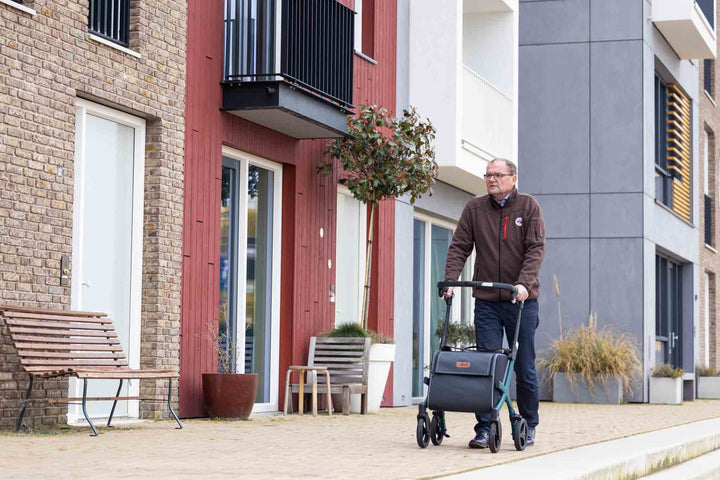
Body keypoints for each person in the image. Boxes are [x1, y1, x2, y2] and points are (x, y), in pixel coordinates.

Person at [443, 158, 545, 449]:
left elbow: (535, 250)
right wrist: (450, 279)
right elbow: (460, 245)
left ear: (513, 178)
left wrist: (524, 284)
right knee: (486, 365)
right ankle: (485, 427)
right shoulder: (475, 208)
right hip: (487, 301)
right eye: (488, 174)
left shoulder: (528, 207)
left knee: (524, 366)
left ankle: (528, 423)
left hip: (521, 301)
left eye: (498, 175)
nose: (491, 179)